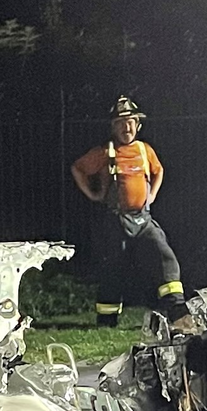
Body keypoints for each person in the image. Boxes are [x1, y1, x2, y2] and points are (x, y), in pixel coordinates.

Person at [71, 96, 185, 327]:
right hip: (115, 220)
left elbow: (159, 171)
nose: (127, 127)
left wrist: (151, 195)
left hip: (143, 220)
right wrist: (92, 195)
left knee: (165, 256)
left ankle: (177, 310)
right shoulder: (105, 152)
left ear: (137, 125)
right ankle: (106, 320)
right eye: (121, 123)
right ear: (114, 127)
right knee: (112, 268)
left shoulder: (144, 150)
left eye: (131, 122)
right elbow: (78, 168)